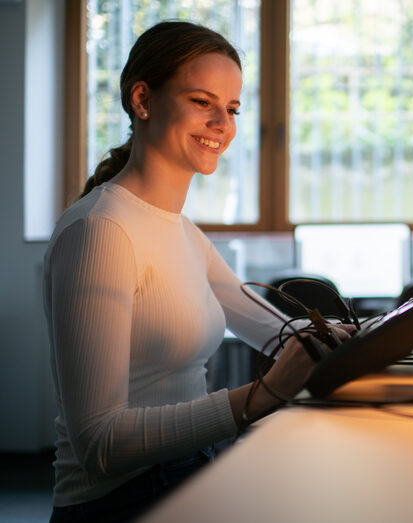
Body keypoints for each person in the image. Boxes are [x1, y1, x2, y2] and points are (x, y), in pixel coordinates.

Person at [43, 21, 350, 522]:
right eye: (202, 102)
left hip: (191, 470)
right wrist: (260, 396)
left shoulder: (181, 231)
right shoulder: (100, 231)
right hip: (121, 500)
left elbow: (279, 332)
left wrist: (408, 325)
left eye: (230, 109)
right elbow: (99, 444)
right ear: (142, 100)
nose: (222, 124)